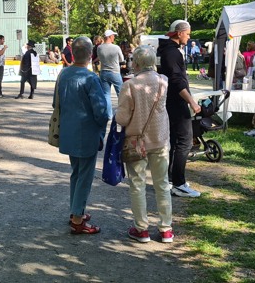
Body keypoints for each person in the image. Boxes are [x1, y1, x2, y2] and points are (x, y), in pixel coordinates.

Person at [116, 45, 173, 243]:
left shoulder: (130, 85)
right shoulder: (163, 81)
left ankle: (142, 229)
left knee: (137, 184)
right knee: (162, 183)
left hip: (136, 140)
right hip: (160, 137)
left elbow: (122, 119)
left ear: (137, 63)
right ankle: (166, 228)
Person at [55, 37, 108, 234]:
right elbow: (101, 111)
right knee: (84, 175)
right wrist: (103, 124)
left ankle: (75, 210)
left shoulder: (64, 74)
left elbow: (56, 104)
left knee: (76, 173)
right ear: (90, 54)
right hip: (86, 131)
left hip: (68, 129)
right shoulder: (90, 78)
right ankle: (77, 217)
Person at [158, 20, 202, 198]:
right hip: (176, 102)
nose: (189, 37)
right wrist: (191, 101)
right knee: (184, 141)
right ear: (179, 33)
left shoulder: (167, 50)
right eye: (188, 33)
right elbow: (176, 81)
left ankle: (170, 179)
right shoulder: (172, 52)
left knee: (175, 142)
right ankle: (178, 183)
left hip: (171, 101)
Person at [97, 30, 125, 118]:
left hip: (104, 71)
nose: (114, 37)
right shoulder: (116, 47)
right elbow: (121, 59)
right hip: (115, 72)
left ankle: (109, 115)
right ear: (109, 37)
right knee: (121, 94)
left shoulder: (99, 48)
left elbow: (99, 58)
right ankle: (123, 114)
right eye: (113, 36)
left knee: (106, 94)